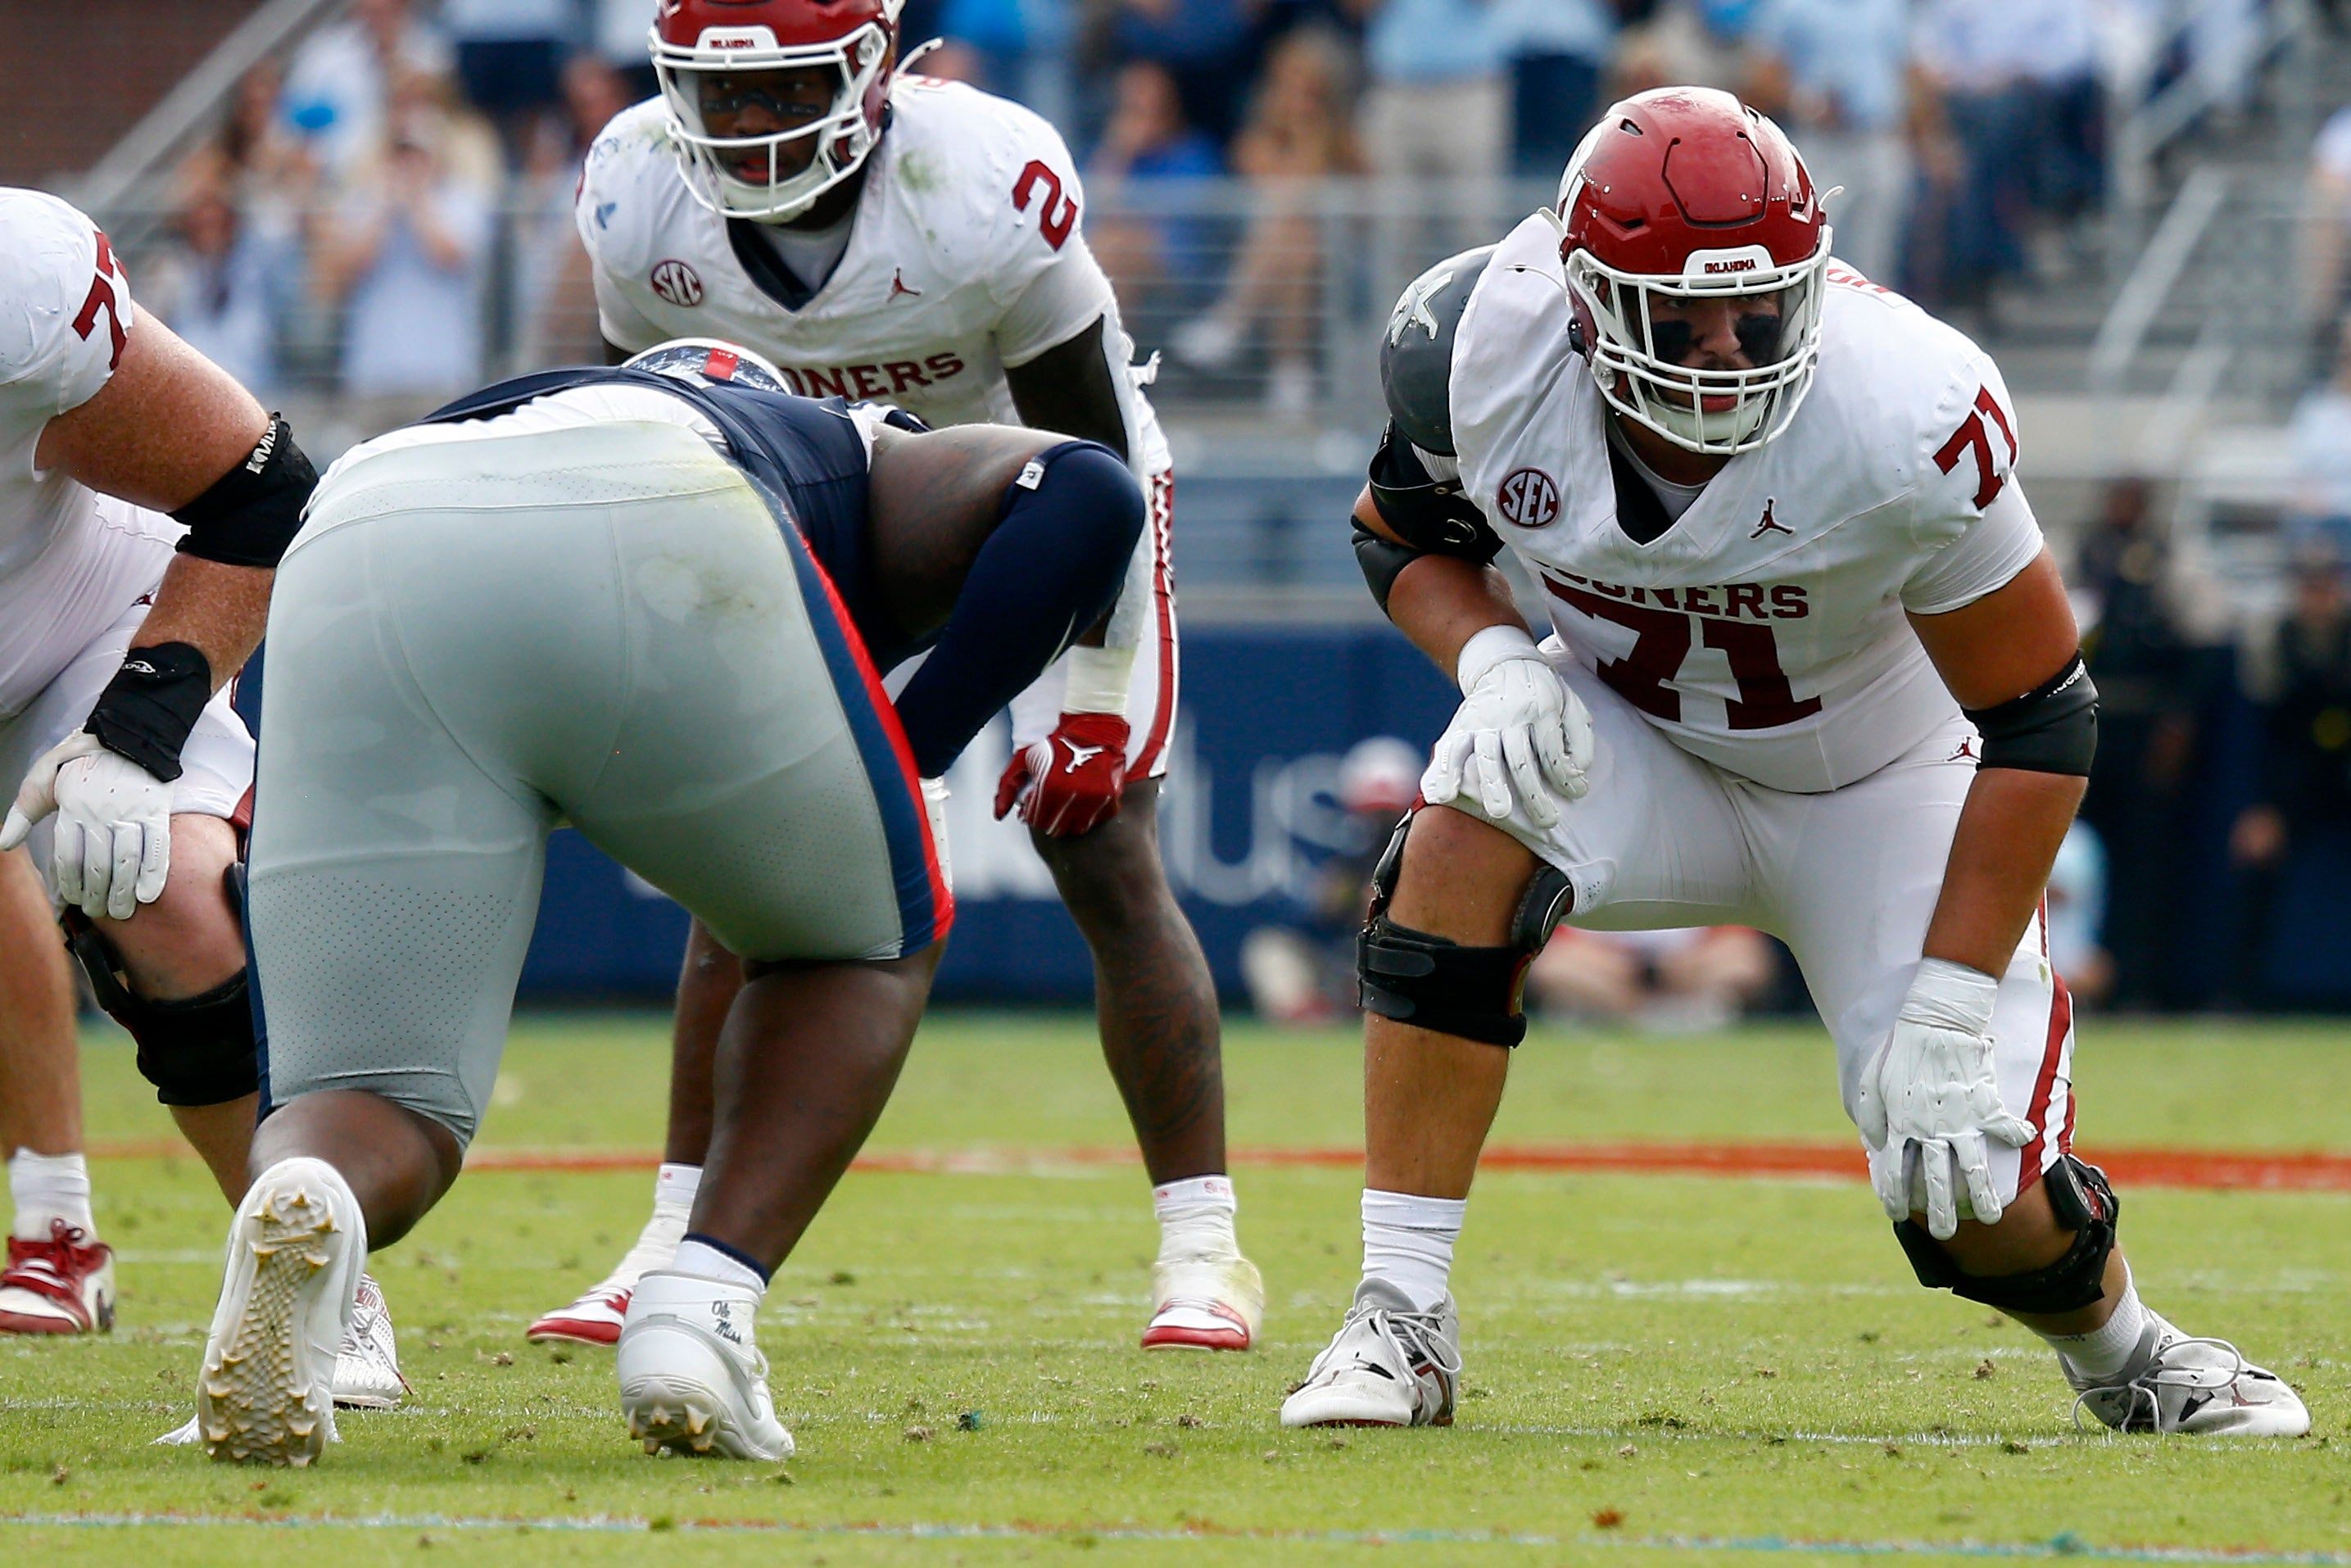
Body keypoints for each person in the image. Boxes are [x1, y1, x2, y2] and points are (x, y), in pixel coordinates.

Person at [1278, 88, 2306, 1437]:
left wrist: (1944, 1001)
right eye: (1680, 317)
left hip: (1883, 781)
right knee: (1461, 825)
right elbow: (1397, 534)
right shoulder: (1478, 347)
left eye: (1756, 308)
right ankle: (1398, 1314)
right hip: (1641, 736)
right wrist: (1492, 658)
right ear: (1585, 306)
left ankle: (2132, 1353)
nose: (1723, 346)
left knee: (1966, 1197)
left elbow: (2043, 715)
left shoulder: (1905, 404)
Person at [184, 338, 1147, 1467]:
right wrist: (914, 746)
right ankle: (699, 1310)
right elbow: (1084, 486)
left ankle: (313, 1188)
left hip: (363, 527)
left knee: (370, 1094)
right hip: (660, 506)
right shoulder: (847, 449)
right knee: (859, 940)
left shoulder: (509, 410)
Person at [535, 0, 1260, 1356]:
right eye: (717, 93)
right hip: (801, 513)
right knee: (737, 867)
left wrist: (1095, 687)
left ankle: (1202, 1245)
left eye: (783, 89)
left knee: (1100, 845)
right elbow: (663, 431)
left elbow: (1089, 456)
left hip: (1021, 503)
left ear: (871, 71)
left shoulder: (976, 183)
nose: (746, 128)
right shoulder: (637, 192)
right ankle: (667, 1236)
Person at [0, 188, 403, 1410]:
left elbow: (264, 492)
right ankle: (58, 1229)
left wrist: (135, 729)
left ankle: (323, 1290)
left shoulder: (21, 287)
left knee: (148, 879)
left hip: (76, 614)